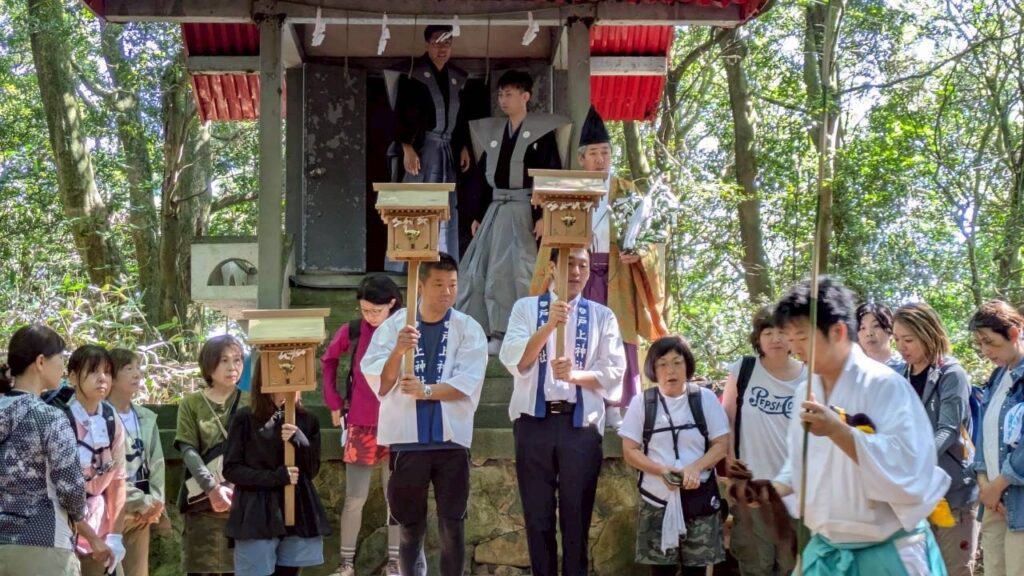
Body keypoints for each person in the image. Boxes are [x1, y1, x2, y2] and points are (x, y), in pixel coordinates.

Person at [770, 277, 949, 575]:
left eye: (801, 337)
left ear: (838, 332)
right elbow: (803, 459)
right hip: (826, 549)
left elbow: (908, 465)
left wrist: (838, 431)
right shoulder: (806, 391)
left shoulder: (884, 384)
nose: (793, 348)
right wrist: (774, 488)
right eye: (788, 338)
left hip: (887, 552)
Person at [529, 106, 665, 425]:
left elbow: (651, 237)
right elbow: (552, 240)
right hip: (577, 273)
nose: (601, 159)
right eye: (594, 153)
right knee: (576, 332)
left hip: (616, 273)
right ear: (581, 159)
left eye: (605, 152)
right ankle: (573, 398)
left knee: (615, 336)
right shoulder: (566, 192)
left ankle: (618, 406)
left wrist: (639, 253)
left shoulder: (627, 192)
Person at [499, 247, 627, 576]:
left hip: (580, 426)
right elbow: (514, 359)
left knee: (577, 517)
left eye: (583, 265)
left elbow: (614, 372)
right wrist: (549, 326)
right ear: (552, 268)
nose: (577, 272)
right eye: (569, 264)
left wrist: (575, 376)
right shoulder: (526, 308)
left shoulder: (602, 315)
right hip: (534, 423)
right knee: (537, 517)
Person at [362, 253, 488, 576]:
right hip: (407, 439)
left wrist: (426, 391)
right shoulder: (394, 327)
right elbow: (381, 382)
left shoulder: (468, 328)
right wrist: (398, 351)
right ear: (420, 286)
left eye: (453, 285)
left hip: (451, 440)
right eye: (439, 284)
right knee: (409, 527)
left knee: (452, 525)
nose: (447, 292)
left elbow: (467, 383)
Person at [457, 69, 571, 355]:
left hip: (524, 210)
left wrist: (544, 215)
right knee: (482, 269)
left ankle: (522, 331)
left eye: (509, 94)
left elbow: (550, 175)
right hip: (496, 210)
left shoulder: (542, 135)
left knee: (520, 271)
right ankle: (491, 331)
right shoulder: (495, 134)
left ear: (525, 96)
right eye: (500, 94)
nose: (503, 100)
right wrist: (477, 214)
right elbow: (482, 179)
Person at [0, 325, 111, 575]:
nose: (63, 366)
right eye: (60, 358)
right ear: (41, 362)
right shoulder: (50, 418)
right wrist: (83, 519)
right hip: (44, 542)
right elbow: (71, 488)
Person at [620, 335, 730, 576]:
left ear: (687, 365)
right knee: (661, 571)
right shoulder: (642, 403)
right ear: (653, 369)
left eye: (677, 362)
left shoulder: (705, 399)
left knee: (696, 571)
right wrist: (661, 470)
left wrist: (696, 468)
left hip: (699, 497)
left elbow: (721, 444)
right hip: (656, 499)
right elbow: (629, 450)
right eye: (662, 364)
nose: (671, 370)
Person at [321, 274, 404, 576]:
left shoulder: (404, 331)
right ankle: (346, 563)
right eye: (364, 310)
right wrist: (333, 401)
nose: (369, 316)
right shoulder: (354, 330)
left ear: (392, 304)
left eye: (375, 310)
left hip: (398, 422)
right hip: (360, 422)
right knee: (355, 497)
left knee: (396, 496)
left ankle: (395, 562)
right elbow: (328, 360)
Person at [891, 302, 979, 575]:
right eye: (897, 340)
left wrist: (915, 461)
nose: (901, 347)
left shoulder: (951, 374)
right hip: (914, 496)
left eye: (908, 340)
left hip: (953, 493)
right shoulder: (898, 375)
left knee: (954, 569)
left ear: (928, 334)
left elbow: (948, 430)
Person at [224, 355, 331, 576]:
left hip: (296, 508)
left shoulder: (308, 420)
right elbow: (232, 469)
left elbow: (311, 470)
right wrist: (275, 477)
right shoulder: (245, 419)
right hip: (256, 510)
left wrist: (300, 440)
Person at [720, 305, 805, 576]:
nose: (775, 339)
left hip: (794, 491)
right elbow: (726, 421)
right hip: (751, 487)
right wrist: (731, 468)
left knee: (791, 566)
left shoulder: (810, 376)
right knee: (756, 565)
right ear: (758, 338)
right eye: (768, 332)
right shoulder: (744, 370)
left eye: (782, 332)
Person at [385, 24, 471, 261]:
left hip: (448, 148)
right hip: (423, 148)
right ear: (427, 45)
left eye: (447, 44)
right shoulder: (413, 74)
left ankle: (444, 256)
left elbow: (462, 117)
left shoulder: (456, 78)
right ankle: (409, 258)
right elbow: (401, 113)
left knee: (447, 203)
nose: (442, 49)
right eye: (437, 43)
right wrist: (407, 147)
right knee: (416, 199)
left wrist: (463, 145)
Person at [175, 334, 245, 575]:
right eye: (224, 360)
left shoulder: (252, 402)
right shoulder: (191, 404)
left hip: (242, 502)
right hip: (202, 503)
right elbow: (188, 449)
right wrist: (212, 488)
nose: (232, 367)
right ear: (209, 364)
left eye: (237, 359)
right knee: (201, 568)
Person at [969, 301, 1024, 576]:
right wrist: (984, 484)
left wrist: (999, 484)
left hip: (1018, 502)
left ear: (1013, 333)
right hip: (993, 501)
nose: (985, 351)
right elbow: (984, 434)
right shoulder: (997, 376)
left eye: (989, 342)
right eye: (980, 344)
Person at [65, 345, 128, 576]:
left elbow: (118, 479)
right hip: (65, 527)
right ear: (73, 377)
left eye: (107, 372)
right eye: (93, 371)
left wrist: (115, 536)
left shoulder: (112, 419)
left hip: (100, 526)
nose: (102, 378)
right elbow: (58, 489)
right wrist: (90, 537)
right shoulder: (62, 419)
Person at [107, 348, 167, 576]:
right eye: (128, 368)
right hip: (112, 509)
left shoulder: (146, 416)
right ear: (111, 377)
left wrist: (156, 502)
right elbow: (108, 470)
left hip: (143, 514)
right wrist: (140, 502)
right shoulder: (101, 415)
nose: (136, 374)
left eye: (138, 368)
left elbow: (158, 463)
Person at [856, 302, 901, 369]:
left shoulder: (907, 367)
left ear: (890, 330)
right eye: (863, 328)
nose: (869, 333)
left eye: (876, 326)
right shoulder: (853, 369)